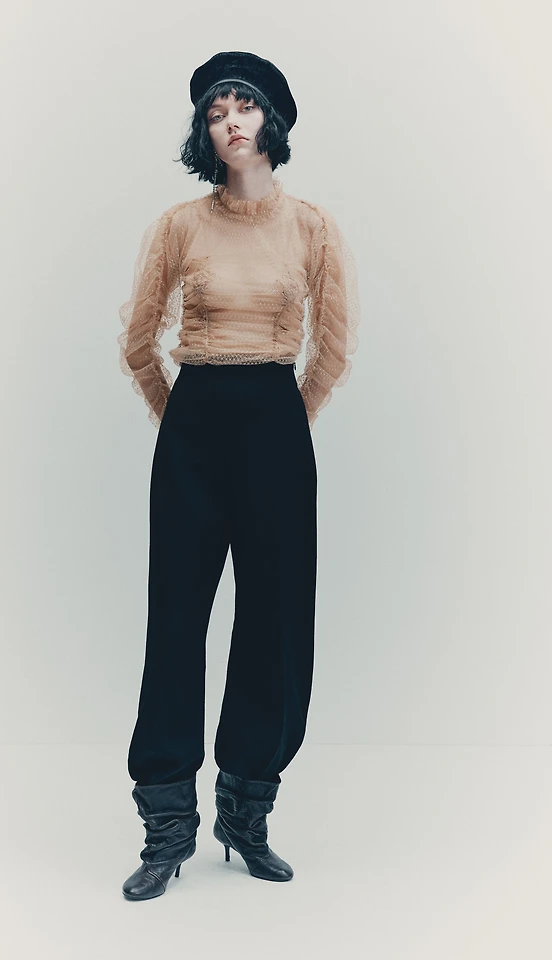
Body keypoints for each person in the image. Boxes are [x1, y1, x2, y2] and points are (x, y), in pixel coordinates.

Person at [118, 51, 360, 902]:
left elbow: (332, 348)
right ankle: (166, 825)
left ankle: (246, 812)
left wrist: (284, 422)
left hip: (275, 425)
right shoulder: (179, 226)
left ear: (271, 120)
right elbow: (138, 341)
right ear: (206, 132)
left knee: (274, 623)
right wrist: (181, 421)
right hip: (194, 424)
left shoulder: (314, 228)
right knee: (176, 621)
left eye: (244, 106)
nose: (230, 121)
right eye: (216, 111)